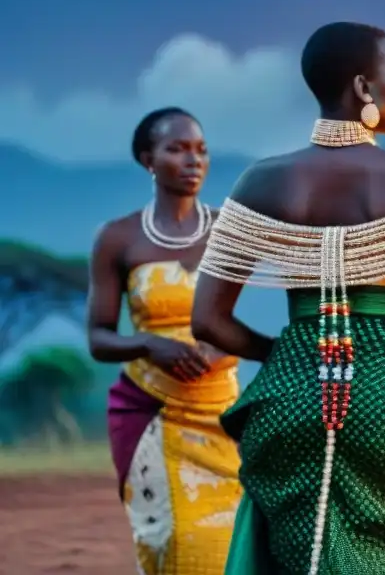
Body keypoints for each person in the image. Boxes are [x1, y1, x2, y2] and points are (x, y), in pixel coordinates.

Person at [191, 21, 385, 575]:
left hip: (293, 397)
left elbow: (208, 320)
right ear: (362, 90)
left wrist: (291, 352)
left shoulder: (260, 181)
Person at [87, 108, 242, 575]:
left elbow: (244, 324)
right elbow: (98, 337)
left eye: (201, 149)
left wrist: (222, 350)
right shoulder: (118, 238)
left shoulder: (230, 232)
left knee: (228, 542)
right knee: (172, 540)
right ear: (147, 159)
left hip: (222, 417)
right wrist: (149, 344)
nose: (193, 160)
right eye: (176, 149)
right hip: (151, 413)